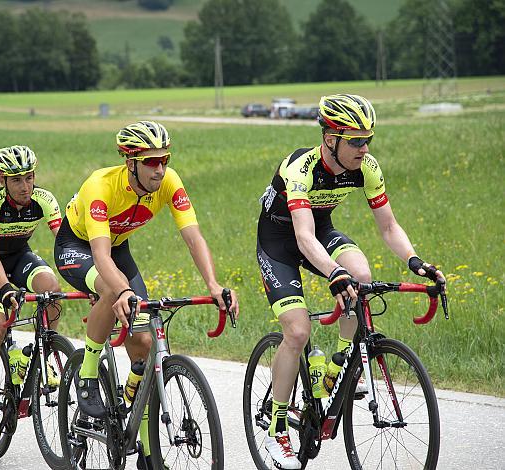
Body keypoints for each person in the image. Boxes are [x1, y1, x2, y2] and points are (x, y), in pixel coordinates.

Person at [256, 94, 445, 469]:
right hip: (280, 241)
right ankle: (276, 431)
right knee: (296, 331)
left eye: (368, 139)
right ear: (330, 139)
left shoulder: (366, 167)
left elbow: (388, 225)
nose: (364, 147)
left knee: (361, 275)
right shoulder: (300, 168)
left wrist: (415, 261)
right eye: (355, 140)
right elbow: (303, 238)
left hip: (319, 230)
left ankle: (338, 363)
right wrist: (333, 272)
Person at [54, 120, 238, 469]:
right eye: (152, 162)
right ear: (131, 162)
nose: (161, 168)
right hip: (78, 247)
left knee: (143, 342)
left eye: (165, 159)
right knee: (112, 289)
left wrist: (214, 285)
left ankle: (145, 444)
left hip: (118, 247)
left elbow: (193, 237)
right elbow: (101, 256)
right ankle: (88, 375)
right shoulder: (100, 185)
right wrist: (122, 290)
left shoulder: (169, 181)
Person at [0, 145, 63, 439]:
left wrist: (90, 281)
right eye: (17, 180)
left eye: (30, 178)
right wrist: (6, 289)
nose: (25, 186)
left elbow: (65, 243)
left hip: (20, 255)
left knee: (52, 292)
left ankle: (42, 354)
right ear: (3, 181)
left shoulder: (44, 199)